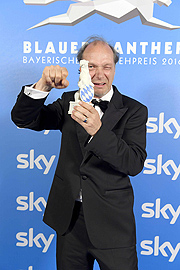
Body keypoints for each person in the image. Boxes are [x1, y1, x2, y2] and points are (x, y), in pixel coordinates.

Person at [11, 36, 148, 270]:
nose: (99, 74)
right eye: (91, 66)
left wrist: (98, 131)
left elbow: (133, 163)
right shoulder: (67, 101)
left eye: (106, 66)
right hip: (70, 221)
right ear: (81, 69)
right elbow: (23, 119)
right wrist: (43, 85)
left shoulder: (134, 110)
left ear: (114, 68)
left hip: (113, 225)